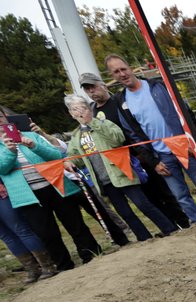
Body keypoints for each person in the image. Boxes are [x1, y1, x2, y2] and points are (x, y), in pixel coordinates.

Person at [105, 54, 196, 224]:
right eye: (116, 72)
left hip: (184, 146)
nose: (122, 74)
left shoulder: (158, 86)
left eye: (123, 69)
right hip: (161, 156)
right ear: (113, 76)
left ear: (130, 68)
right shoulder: (121, 100)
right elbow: (132, 135)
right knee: (181, 195)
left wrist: (192, 140)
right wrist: (153, 161)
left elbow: (185, 110)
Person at [79, 73, 190, 230]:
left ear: (102, 85)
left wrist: (145, 153)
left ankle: (184, 223)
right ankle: (170, 227)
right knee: (148, 198)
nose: (92, 92)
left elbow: (135, 124)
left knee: (163, 191)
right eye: (87, 89)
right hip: (122, 162)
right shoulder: (92, 112)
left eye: (93, 87)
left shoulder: (119, 100)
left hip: (141, 155)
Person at [64, 95, 178, 241]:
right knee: (125, 212)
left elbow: (117, 139)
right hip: (103, 180)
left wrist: (92, 122)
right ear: (71, 114)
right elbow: (74, 157)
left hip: (121, 171)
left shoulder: (104, 123)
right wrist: (68, 161)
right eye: (75, 109)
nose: (79, 112)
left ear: (89, 109)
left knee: (143, 204)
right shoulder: (76, 136)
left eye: (82, 107)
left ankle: (170, 229)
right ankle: (144, 238)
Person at [0, 108, 101, 271]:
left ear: (6, 117)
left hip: (55, 184)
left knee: (75, 223)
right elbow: (2, 169)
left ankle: (91, 254)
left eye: (0, 116)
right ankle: (64, 265)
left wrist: (34, 145)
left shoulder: (31, 135)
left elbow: (55, 155)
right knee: (47, 233)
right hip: (28, 195)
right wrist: (11, 151)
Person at [0, 175, 56, 283]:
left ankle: (47, 265)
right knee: (6, 236)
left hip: (2, 195)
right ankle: (32, 269)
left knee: (21, 230)